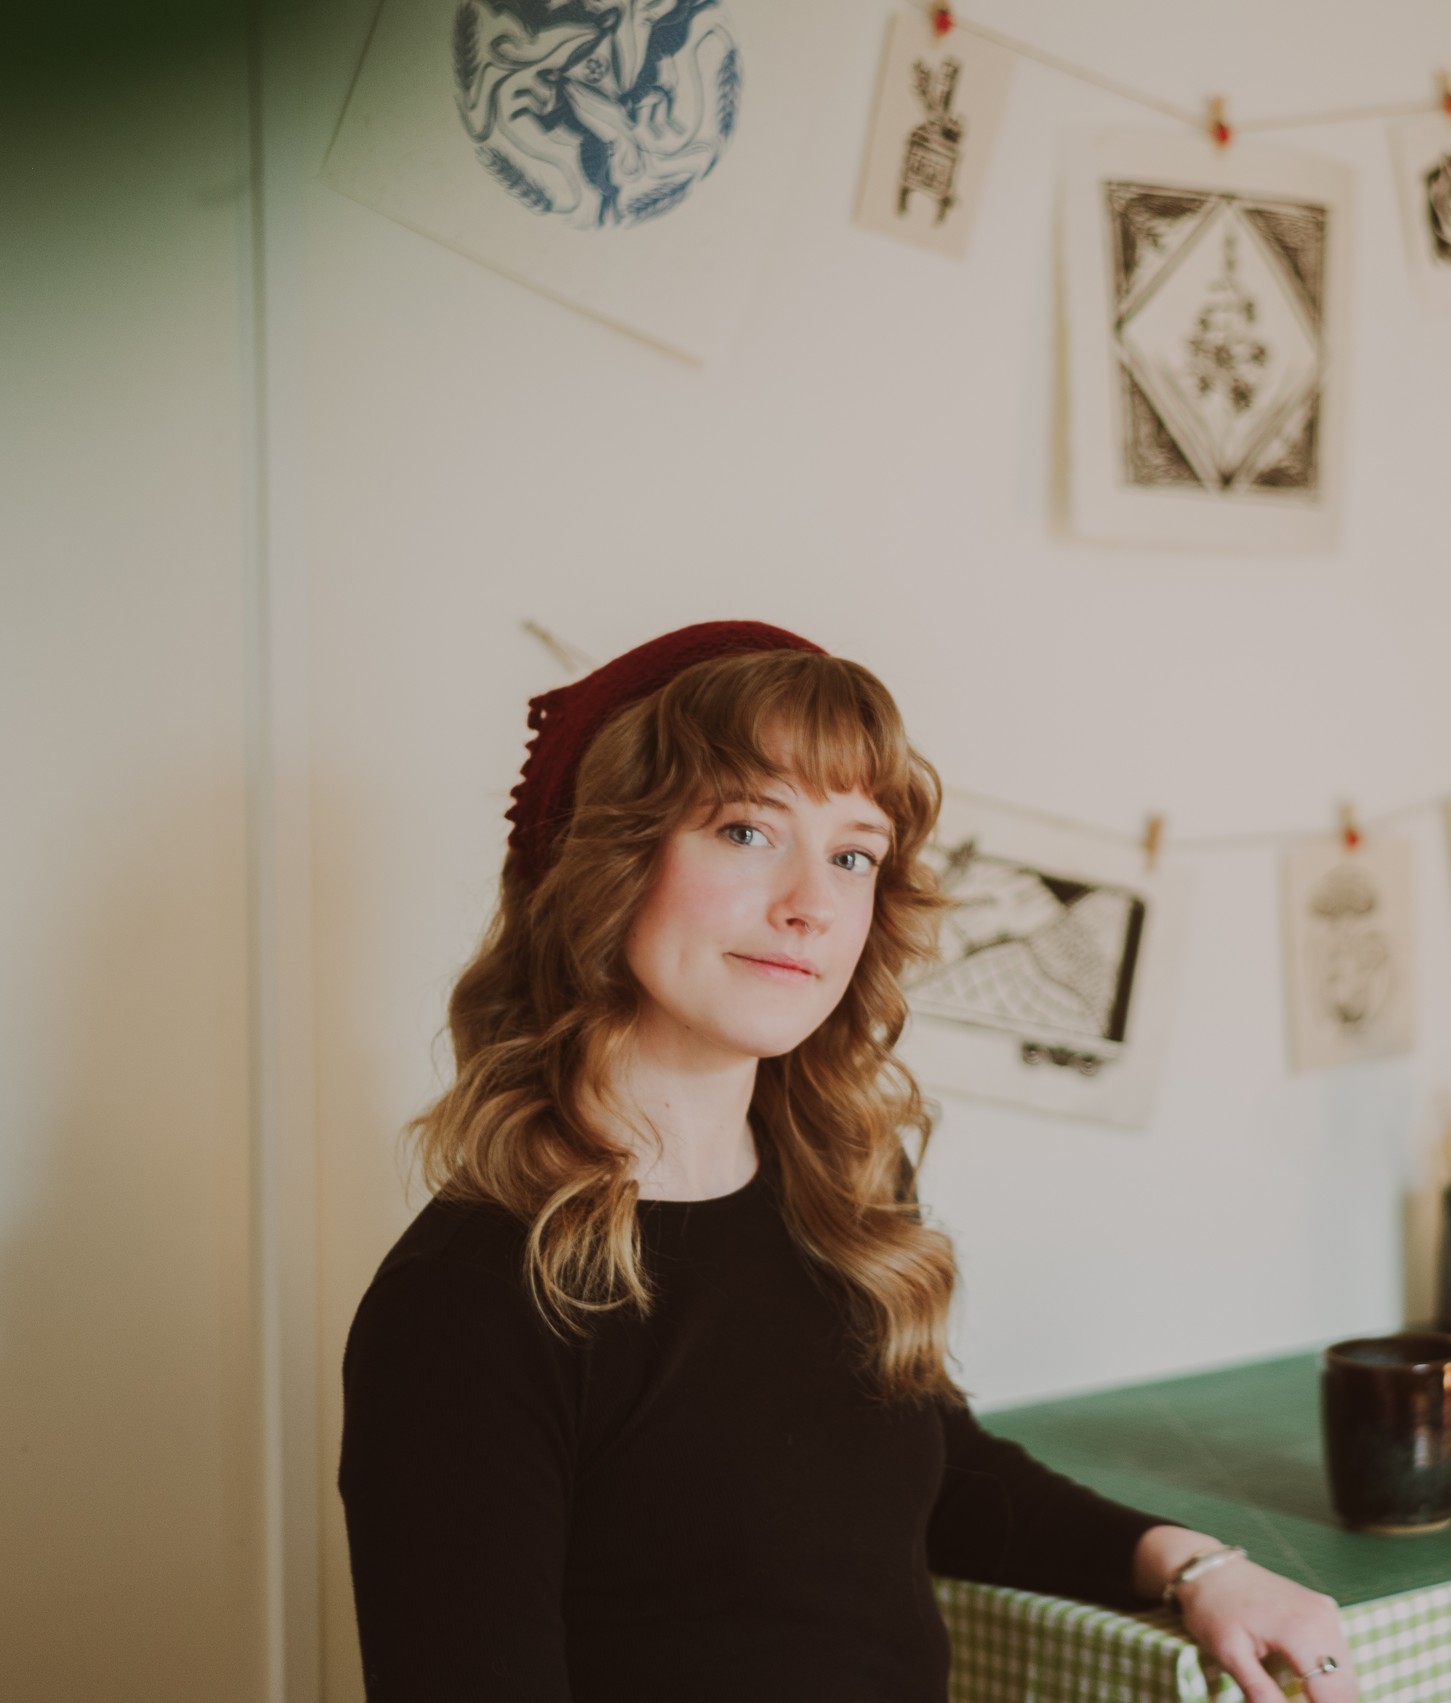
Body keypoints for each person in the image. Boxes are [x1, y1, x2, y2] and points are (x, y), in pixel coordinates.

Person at [338, 622, 1357, 1702]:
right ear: (604, 857)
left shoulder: (845, 1194)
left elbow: (928, 1479)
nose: (811, 903)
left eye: (852, 854)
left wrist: (1196, 1563)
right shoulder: (466, 1302)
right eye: (744, 828)